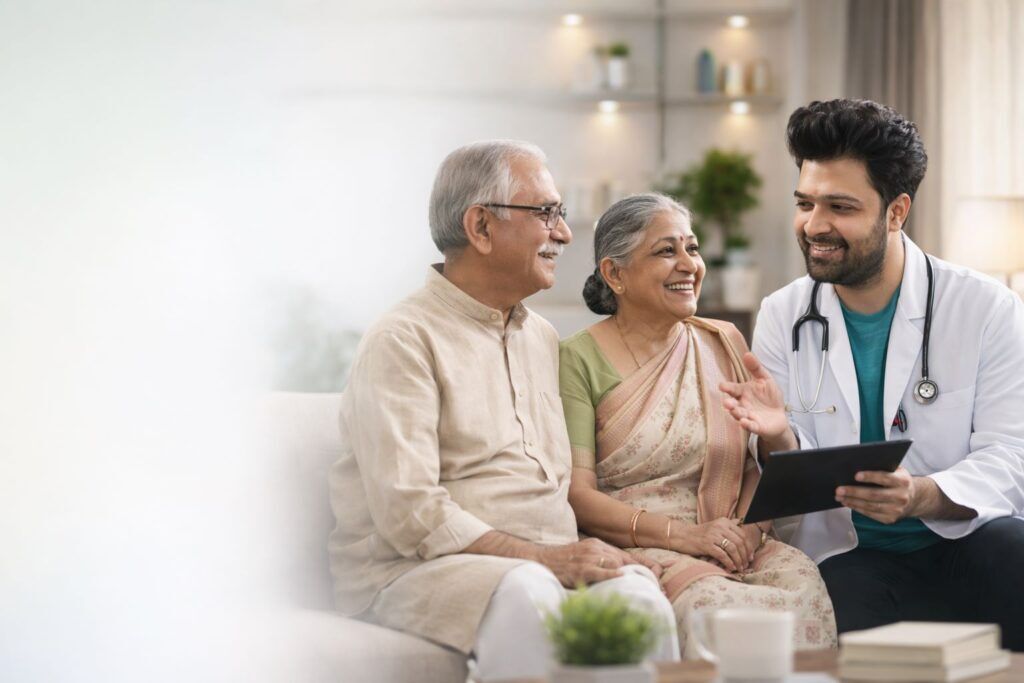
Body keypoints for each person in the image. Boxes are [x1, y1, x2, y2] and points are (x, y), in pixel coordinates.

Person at [327, 141, 679, 682]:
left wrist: (592, 551)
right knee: (528, 591)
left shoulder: (540, 336)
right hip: (413, 568)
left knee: (639, 596)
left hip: (538, 560)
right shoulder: (402, 339)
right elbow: (409, 511)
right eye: (546, 213)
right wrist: (544, 560)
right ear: (481, 227)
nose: (563, 233)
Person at [720, 99, 1024, 649]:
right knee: (854, 621)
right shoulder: (783, 314)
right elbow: (789, 473)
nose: (815, 225)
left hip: (965, 537)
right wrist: (778, 436)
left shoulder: (986, 308)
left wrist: (924, 496)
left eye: (840, 206)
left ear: (896, 211)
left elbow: (1012, 455)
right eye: (805, 203)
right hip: (853, 551)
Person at [558, 192, 836, 657]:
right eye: (666, 251)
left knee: (805, 583)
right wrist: (686, 537)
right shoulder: (577, 358)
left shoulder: (721, 340)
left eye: (692, 248)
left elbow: (755, 468)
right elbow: (577, 495)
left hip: (735, 538)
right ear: (615, 274)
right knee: (714, 605)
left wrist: (750, 527)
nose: (689, 264)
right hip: (641, 543)